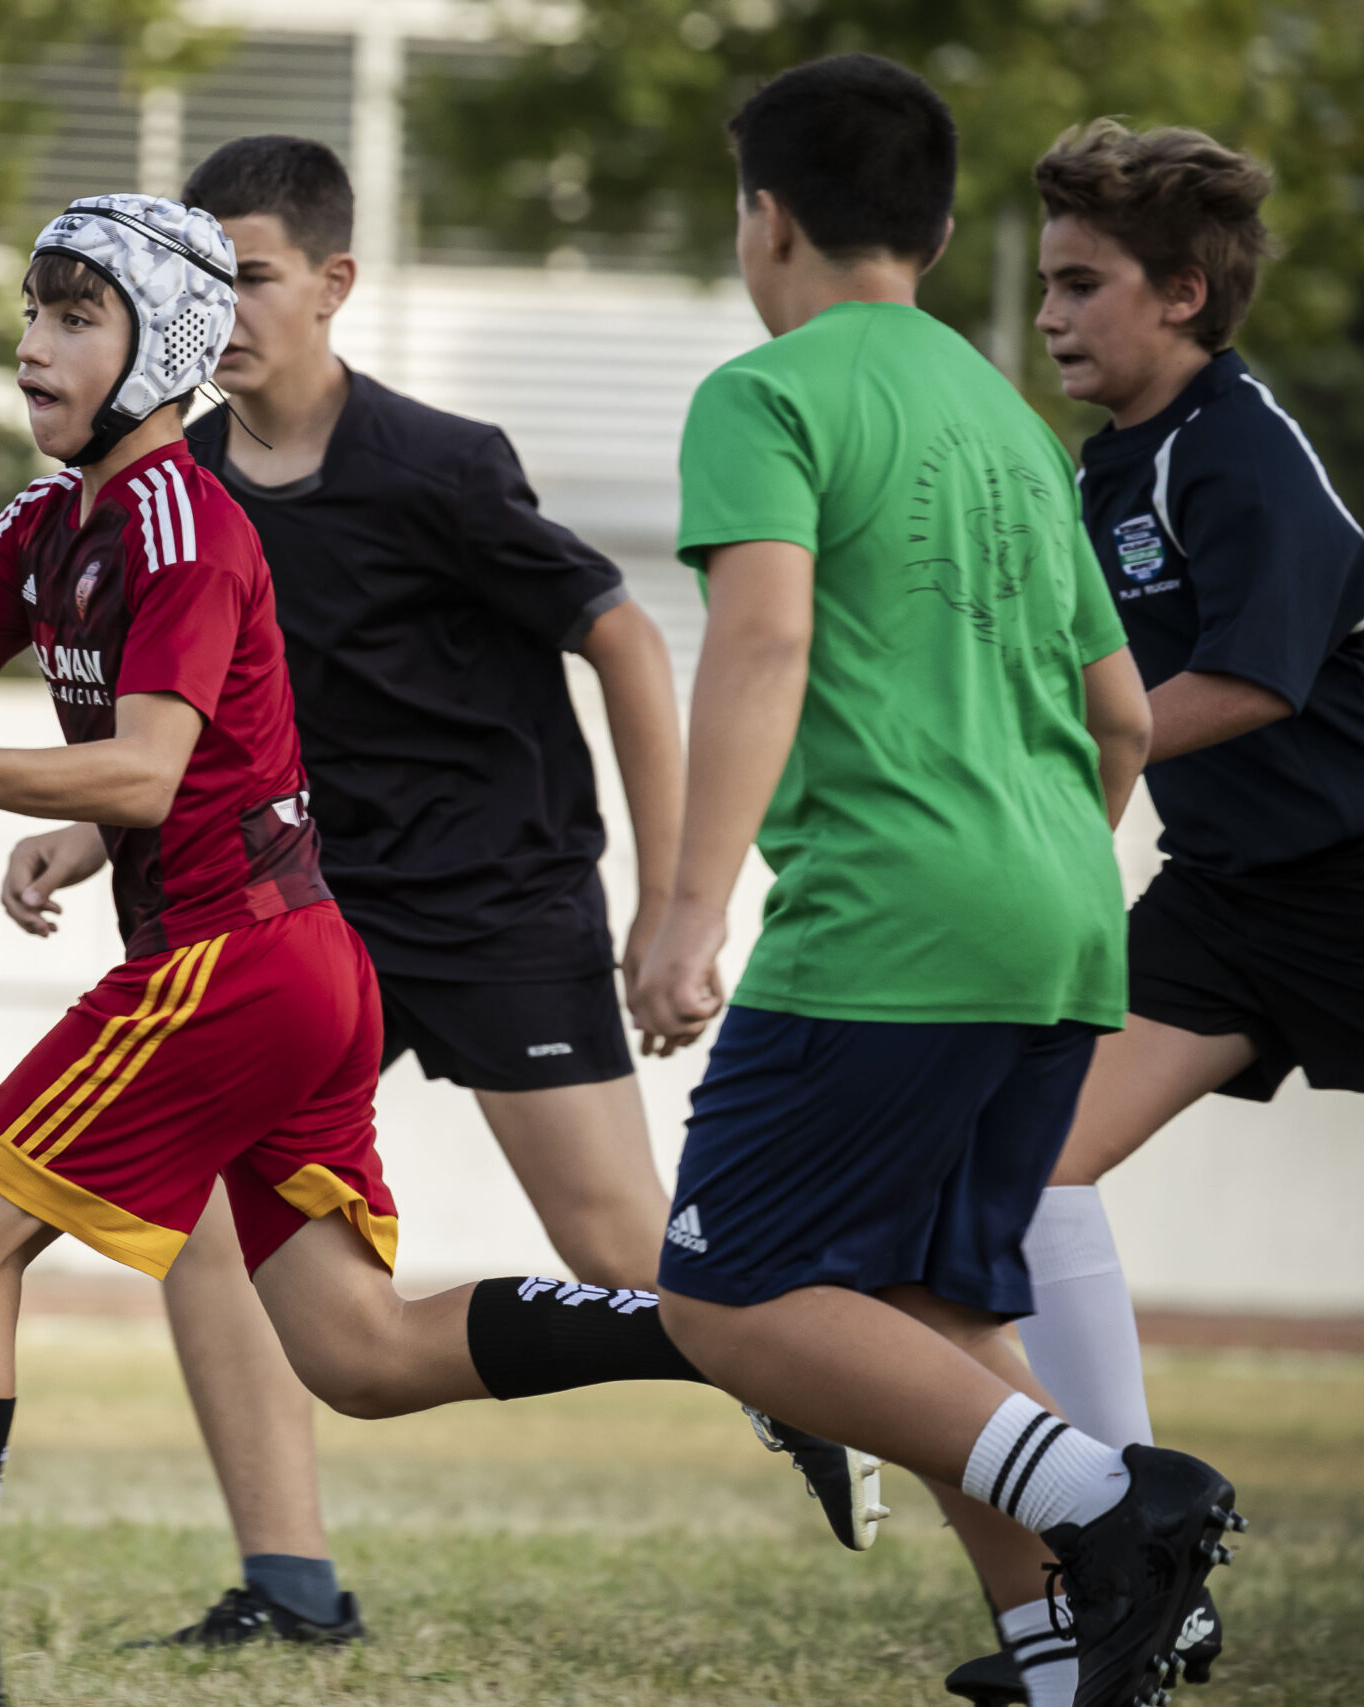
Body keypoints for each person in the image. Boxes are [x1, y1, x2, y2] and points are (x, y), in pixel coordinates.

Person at [0, 193, 728, 1707]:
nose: (34, 348)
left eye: (73, 316)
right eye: (32, 317)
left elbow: (145, 775)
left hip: (228, 967)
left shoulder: (179, 519)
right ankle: (725, 1340)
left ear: (159, 342)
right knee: (362, 1357)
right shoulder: (50, 525)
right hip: (297, 965)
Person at [0, 136, 870, 1650]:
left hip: (500, 903)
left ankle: (847, 1389)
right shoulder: (168, 485)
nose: (224, 306)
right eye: (197, 278)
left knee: (620, 1243)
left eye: (251, 275)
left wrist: (676, 905)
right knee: (196, 1205)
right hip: (303, 914)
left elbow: (628, 640)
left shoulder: (440, 465)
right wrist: (94, 829)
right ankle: (290, 1585)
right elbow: (192, 725)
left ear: (334, 286)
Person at [625, 58, 1242, 1707]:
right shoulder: (1015, 423)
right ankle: (1066, 1664)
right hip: (1055, 919)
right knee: (921, 1301)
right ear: (944, 225)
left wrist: (686, 908)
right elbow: (1120, 713)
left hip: (890, 927)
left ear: (765, 219)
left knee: (723, 1295)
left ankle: (1120, 1502)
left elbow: (762, 636)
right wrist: (1040, 857)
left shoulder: (766, 396)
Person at [940, 119, 1364, 1707]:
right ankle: (1134, 1556)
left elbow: (1253, 678)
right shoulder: (1107, 459)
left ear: (1185, 293)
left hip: (1353, 876)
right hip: (1238, 903)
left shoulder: (1237, 445)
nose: (1050, 316)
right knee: (1028, 1157)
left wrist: (1037, 757)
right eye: (1046, 284)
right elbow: (1105, 699)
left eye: (1082, 285)